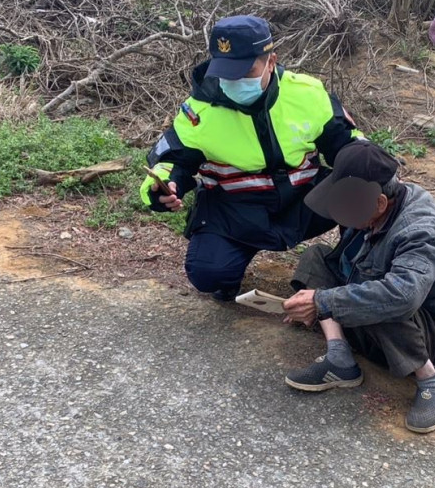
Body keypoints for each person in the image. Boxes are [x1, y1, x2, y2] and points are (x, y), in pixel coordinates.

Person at [140, 15, 362, 301]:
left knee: (361, 181)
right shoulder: (199, 112)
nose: (234, 80)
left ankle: (356, 268)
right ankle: (227, 271)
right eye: (226, 71)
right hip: (236, 212)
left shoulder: (307, 94)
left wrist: (378, 170)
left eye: (245, 70)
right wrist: (164, 188)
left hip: (304, 202)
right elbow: (173, 162)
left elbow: (347, 144)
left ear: (271, 61)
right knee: (208, 274)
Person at [281, 142, 435, 434]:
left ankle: (431, 382)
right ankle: (339, 358)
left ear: (381, 202)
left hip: (434, 334)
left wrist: (323, 302)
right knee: (316, 257)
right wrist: (318, 299)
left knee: (384, 297)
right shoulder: (373, 208)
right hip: (387, 308)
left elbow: (403, 295)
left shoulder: (420, 229)